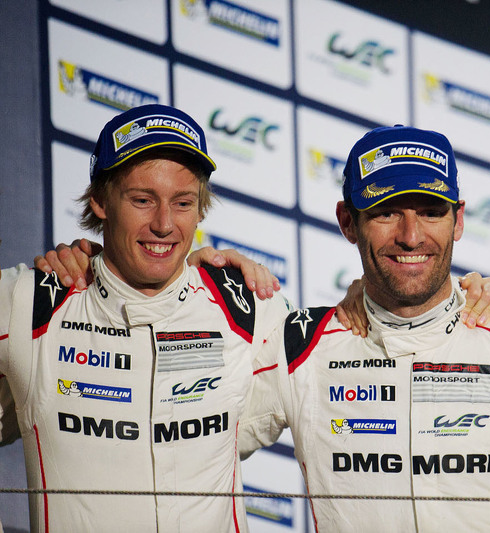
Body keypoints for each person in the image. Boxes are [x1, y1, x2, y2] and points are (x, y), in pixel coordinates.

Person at [238, 125, 490, 531]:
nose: (410, 237)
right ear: (348, 222)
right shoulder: (299, 348)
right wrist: (182, 284)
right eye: (386, 212)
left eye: (430, 212)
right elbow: (183, 445)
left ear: (458, 220)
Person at [0, 103, 295, 532]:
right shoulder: (30, 302)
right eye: (142, 200)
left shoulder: (248, 308)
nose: (163, 224)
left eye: (182, 203)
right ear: (100, 200)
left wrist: (361, 293)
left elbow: (364, 346)